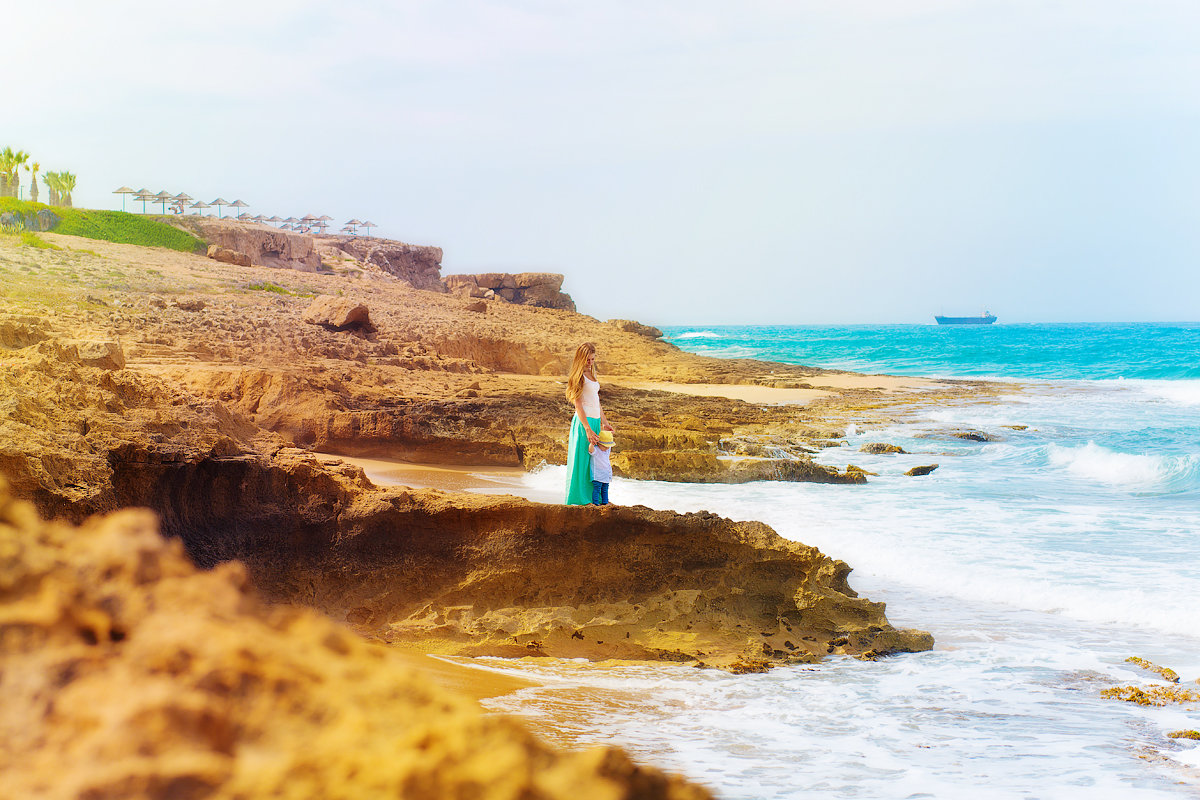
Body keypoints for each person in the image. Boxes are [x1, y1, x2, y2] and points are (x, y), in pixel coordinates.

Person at [564, 342, 614, 505]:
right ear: (581, 359)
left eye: (592, 359)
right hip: (583, 423)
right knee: (582, 461)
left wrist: (604, 423)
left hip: (595, 422)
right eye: (587, 360)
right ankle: (578, 500)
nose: (590, 362)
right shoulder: (578, 377)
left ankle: (595, 500)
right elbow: (578, 405)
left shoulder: (592, 374)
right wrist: (586, 429)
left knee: (594, 462)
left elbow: (596, 401)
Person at [589, 429, 614, 505]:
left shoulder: (607, 450)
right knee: (597, 489)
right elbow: (590, 450)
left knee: (605, 490)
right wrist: (592, 443)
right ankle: (596, 503)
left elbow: (609, 444)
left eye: (608, 446)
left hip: (606, 475)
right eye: (605, 446)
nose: (607, 448)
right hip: (597, 475)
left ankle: (605, 503)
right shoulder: (596, 450)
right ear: (599, 444)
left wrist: (610, 435)